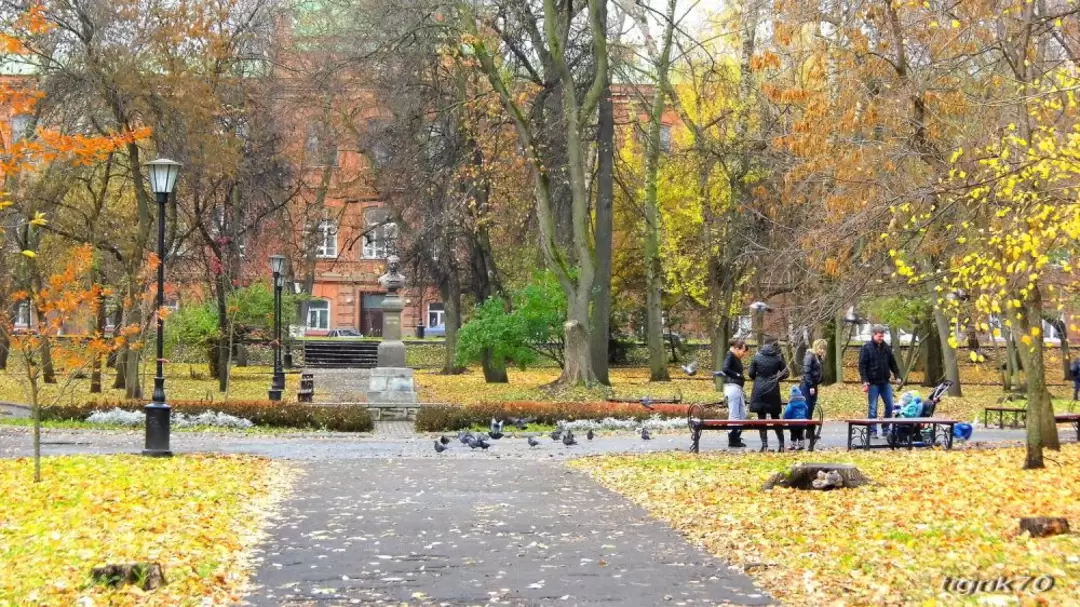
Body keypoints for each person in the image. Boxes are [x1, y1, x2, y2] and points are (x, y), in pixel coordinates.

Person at [858, 325, 901, 437]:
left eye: (883, 336)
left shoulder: (886, 347)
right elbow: (862, 365)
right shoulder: (866, 347)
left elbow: (892, 363)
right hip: (872, 383)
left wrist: (897, 375)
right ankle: (872, 430)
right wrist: (865, 380)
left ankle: (885, 428)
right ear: (874, 334)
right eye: (879, 336)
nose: (881, 338)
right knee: (873, 407)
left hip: (885, 382)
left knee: (890, 406)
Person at [748, 335, 789, 451]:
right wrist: (775, 378)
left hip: (759, 388)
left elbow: (751, 374)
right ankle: (781, 444)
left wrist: (760, 377)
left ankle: (764, 445)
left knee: (761, 417)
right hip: (773, 389)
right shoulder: (779, 357)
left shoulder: (757, 356)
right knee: (775, 416)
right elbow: (786, 373)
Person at [718, 338, 749, 448]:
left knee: (742, 414)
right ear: (736, 348)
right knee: (734, 414)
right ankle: (732, 439)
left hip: (737, 388)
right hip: (732, 387)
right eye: (743, 351)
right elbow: (725, 369)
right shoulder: (730, 355)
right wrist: (738, 375)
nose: (743, 354)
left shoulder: (735, 357)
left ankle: (736, 437)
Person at [802, 339, 827, 428]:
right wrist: (811, 385)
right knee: (807, 407)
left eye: (824, 349)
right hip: (807, 386)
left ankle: (809, 430)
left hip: (814, 385)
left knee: (811, 407)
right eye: (820, 348)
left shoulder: (818, 358)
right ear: (816, 347)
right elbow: (806, 372)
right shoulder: (810, 356)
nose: (822, 351)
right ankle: (805, 429)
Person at [784, 385, 809, 450]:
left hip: (793, 422)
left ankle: (793, 445)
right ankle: (801, 445)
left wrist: (786, 418)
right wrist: (805, 417)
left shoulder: (791, 404)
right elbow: (806, 410)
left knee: (793, 434)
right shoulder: (803, 403)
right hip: (802, 422)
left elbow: (787, 412)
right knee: (800, 433)